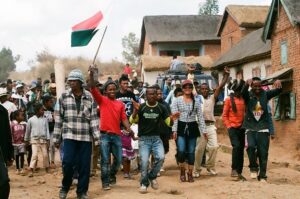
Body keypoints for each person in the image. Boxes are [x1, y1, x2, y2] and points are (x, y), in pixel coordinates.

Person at [53, 69, 100, 199]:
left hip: (85, 137)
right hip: (69, 136)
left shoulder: (89, 97)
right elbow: (59, 119)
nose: (71, 83)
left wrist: (97, 137)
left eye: (74, 80)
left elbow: (94, 118)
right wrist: (56, 138)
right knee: (67, 163)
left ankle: (82, 192)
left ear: (80, 82)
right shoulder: (63, 96)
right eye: (70, 80)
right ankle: (65, 187)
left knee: (85, 166)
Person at [89, 67, 132, 191]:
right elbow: (92, 88)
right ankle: (105, 182)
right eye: (110, 89)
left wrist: (129, 128)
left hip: (117, 135)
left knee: (118, 161)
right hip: (105, 136)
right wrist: (92, 75)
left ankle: (112, 175)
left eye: (114, 89)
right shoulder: (102, 100)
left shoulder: (120, 104)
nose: (112, 91)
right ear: (106, 92)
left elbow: (124, 119)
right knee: (105, 161)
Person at [130, 86, 178, 193]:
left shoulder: (162, 108)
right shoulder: (141, 107)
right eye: (149, 94)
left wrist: (172, 119)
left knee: (160, 158)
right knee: (144, 162)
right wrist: (135, 111)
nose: (152, 96)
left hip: (157, 138)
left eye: (154, 94)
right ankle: (143, 184)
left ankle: (152, 176)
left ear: (157, 96)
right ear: (146, 96)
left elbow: (168, 123)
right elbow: (132, 120)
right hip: (144, 139)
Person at [242, 77, 282, 182]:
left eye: (259, 86)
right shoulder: (248, 95)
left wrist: (278, 83)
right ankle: (253, 168)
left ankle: (263, 176)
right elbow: (242, 93)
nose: (257, 88)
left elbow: (278, 91)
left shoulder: (265, 94)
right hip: (250, 127)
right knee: (250, 147)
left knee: (263, 153)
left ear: (261, 86)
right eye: (255, 86)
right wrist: (246, 84)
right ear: (252, 86)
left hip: (263, 128)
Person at [194, 66, 230, 177]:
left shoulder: (212, 98)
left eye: (206, 89)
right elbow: (190, 87)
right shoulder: (197, 98)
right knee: (199, 149)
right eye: (202, 89)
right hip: (200, 126)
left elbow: (220, 87)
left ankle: (210, 167)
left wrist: (226, 75)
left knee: (214, 147)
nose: (204, 90)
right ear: (199, 90)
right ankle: (197, 170)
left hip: (210, 126)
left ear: (208, 90)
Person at [171, 80, 207, 182]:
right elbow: (175, 117)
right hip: (181, 127)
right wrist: (174, 130)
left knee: (191, 152)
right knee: (181, 150)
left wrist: (204, 131)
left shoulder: (196, 101)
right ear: (182, 89)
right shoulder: (177, 100)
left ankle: (190, 173)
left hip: (192, 127)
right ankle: (182, 170)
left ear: (192, 88)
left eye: (189, 87)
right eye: (185, 87)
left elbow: (200, 117)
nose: (187, 89)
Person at [222, 79, 246, 179]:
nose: (238, 92)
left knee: (241, 149)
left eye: (240, 90)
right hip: (232, 127)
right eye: (236, 90)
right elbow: (224, 115)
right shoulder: (228, 100)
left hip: (242, 128)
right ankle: (234, 169)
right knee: (236, 146)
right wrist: (229, 126)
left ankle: (239, 172)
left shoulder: (243, 99)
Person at [116, 75, 138, 179]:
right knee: (117, 149)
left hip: (129, 123)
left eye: (127, 83)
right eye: (124, 83)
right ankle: (119, 168)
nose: (126, 85)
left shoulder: (131, 95)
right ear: (120, 84)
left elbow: (135, 106)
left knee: (127, 147)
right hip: (117, 124)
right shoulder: (115, 95)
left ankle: (126, 171)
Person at [24, 103, 50, 177]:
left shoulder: (45, 120)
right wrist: (26, 140)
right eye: (42, 110)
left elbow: (47, 130)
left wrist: (48, 139)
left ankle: (47, 168)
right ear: (37, 111)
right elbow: (28, 131)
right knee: (34, 155)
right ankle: (31, 169)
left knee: (45, 155)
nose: (43, 112)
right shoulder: (31, 120)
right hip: (34, 140)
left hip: (43, 139)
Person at [0, 104, 14, 199]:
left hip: (0, 153)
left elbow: (7, 133)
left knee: (4, 183)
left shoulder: (2, 111)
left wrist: (9, 154)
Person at [11, 110, 26, 175]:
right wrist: (12, 141)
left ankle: (22, 168)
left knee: (22, 155)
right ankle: (17, 169)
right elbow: (11, 133)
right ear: (17, 117)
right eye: (21, 115)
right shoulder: (12, 124)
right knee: (16, 156)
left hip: (22, 143)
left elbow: (25, 133)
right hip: (15, 143)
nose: (23, 116)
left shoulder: (24, 124)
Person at [42, 95, 55, 168]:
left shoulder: (52, 110)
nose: (52, 103)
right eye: (50, 102)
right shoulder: (41, 110)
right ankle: (47, 161)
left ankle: (52, 161)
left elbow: (54, 119)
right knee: (46, 147)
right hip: (44, 131)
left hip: (52, 129)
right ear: (46, 102)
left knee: (52, 145)